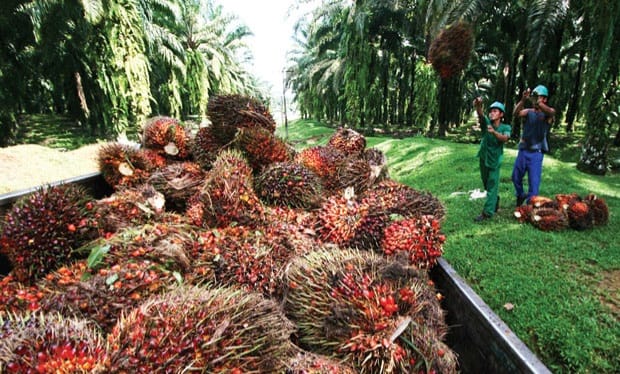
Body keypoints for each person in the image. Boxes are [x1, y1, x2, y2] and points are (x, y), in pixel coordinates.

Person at [511, 85, 556, 206]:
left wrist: (538, 103)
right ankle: (520, 194)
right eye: (535, 96)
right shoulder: (529, 112)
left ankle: (530, 206)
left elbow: (551, 112)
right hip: (523, 150)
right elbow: (516, 113)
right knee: (515, 177)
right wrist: (523, 100)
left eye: (539, 97)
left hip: (536, 153)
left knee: (534, 184)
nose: (536, 99)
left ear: (545, 99)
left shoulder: (548, 114)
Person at [473, 97, 511, 222]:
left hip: (495, 160)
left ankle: (487, 213)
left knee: (492, 183)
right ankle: (495, 200)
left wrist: (494, 132)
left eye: (495, 111)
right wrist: (478, 105)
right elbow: (480, 113)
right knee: (486, 183)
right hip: (484, 157)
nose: (492, 113)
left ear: (501, 114)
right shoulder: (486, 123)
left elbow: (505, 138)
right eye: (491, 111)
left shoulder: (506, 127)